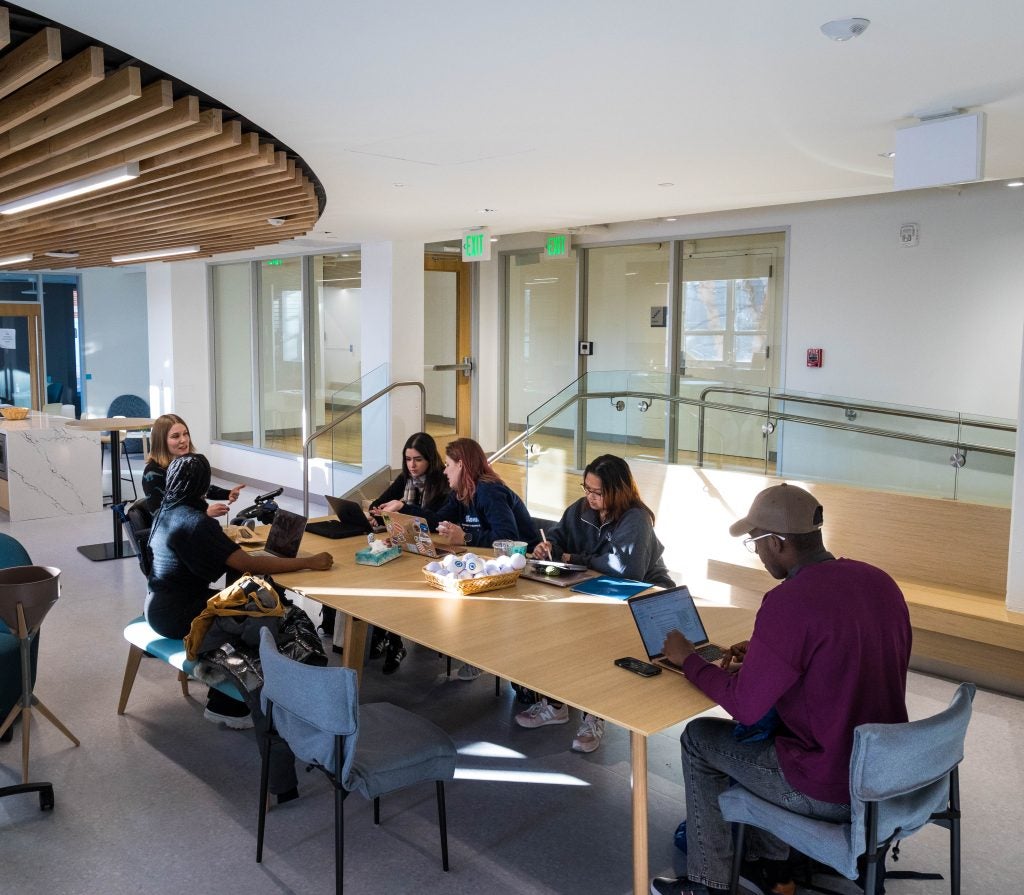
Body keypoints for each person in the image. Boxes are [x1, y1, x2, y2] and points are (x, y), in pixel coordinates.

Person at [650, 484, 912, 895]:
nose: (757, 553)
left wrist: (689, 661)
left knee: (699, 739)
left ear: (777, 542)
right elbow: (845, 652)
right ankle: (772, 862)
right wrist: (767, 655)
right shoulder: (879, 581)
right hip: (885, 772)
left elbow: (744, 706)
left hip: (830, 784)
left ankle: (709, 883)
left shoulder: (788, 600)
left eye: (756, 543)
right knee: (771, 732)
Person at [145, 454, 333, 735]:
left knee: (244, 596)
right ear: (203, 485)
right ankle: (229, 704)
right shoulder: (196, 522)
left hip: (158, 606)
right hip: (179, 616)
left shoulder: (166, 511)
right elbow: (248, 565)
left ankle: (234, 695)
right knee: (267, 618)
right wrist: (307, 562)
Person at [519, 454, 674, 754]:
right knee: (549, 625)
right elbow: (558, 538)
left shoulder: (636, 519)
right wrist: (548, 547)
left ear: (617, 491)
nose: (589, 496)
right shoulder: (580, 509)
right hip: (593, 588)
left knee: (600, 640)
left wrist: (573, 559)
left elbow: (625, 570)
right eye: (586, 488)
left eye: (597, 492)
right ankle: (555, 702)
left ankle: (594, 715)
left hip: (641, 596)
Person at [426, 437, 538, 680]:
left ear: (461, 465)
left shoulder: (489, 490)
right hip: (489, 568)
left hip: (522, 570)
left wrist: (465, 537)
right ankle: (474, 653)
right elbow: (435, 519)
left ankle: (483, 655)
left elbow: (507, 538)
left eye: (448, 465)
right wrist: (399, 510)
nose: (444, 471)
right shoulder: (461, 493)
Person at [365, 432, 450, 673]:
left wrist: (403, 507)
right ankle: (385, 636)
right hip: (407, 545)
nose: (412, 465)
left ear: (430, 460)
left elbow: (435, 521)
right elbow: (378, 504)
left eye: (418, 460)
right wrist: (378, 513)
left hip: (431, 550)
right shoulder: (406, 479)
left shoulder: (443, 483)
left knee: (395, 583)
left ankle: (393, 641)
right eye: (408, 459)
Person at [142, 413, 244, 517]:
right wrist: (204, 513)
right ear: (161, 441)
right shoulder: (153, 472)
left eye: (185, 434)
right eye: (175, 436)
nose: (184, 440)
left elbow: (196, 488)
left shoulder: (186, 463)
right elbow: (160, 516)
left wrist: (227, 493)